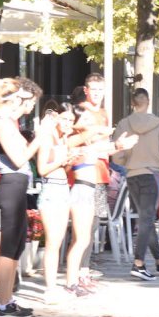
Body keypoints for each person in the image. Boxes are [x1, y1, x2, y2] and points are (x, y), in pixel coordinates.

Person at [0, 77, 46, 317]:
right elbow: (20, 159)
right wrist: (41, 137)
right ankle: (3, 303)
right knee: (8, 246)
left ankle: (8, 300)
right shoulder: (1, 124)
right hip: (9, 185)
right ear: (18, 99)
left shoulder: (8, 123)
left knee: (17, 244)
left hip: (16, 185)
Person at [112, 88, 159, 282]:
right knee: (147, 219)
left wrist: (128, 162)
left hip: (132, 175)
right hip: (151, 174)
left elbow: (117, 154)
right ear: (148, 102)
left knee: (144, 218)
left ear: (132, 103)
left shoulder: (123, 124)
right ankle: (138, 262)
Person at [35, 101, 84, 301]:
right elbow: (42, 169)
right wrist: (62, 160)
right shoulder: (47, 138)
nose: (67, 124)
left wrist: (70, 162)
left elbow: (62, 170)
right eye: (64, 119)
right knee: (53, 242)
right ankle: (50, 288)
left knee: (59, 239)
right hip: (50, 190)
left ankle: (53, 285)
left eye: (71, 121)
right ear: (56, 117)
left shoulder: (63, 140)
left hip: (63, 188)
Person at [68, 75, 114, 287]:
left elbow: (104, 144)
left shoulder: (103, 113)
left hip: (101, 170)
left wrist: (117, 146)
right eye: (93, 89)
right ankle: (78, 273)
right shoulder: (81, 111)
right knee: (84, 227)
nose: (97, 93)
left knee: (94, 223)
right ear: (86, 90)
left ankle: (84, 269)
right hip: (84, 171)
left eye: (100, 90)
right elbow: (72, 140)